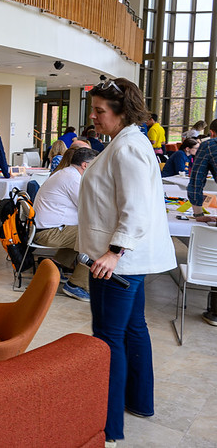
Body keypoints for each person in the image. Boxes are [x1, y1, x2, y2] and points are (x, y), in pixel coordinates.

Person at [78, 78, 176, 444]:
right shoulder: (126, 142)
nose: (94, 116)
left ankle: (109, 426)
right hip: (125, 263)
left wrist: (113, 252)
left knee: (108, 339)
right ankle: (139, 402)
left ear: (121, 112)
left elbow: (134, 210)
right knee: (133, 330)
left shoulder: (128, 147)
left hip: (117, 264)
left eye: (100, 111)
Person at [33, 147, 98, 302]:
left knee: (82, 231)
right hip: (49, 232)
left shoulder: (67, 173)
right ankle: (77, 285)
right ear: (85, 165)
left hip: (47, 228)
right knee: (96, 238)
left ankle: (57, 265)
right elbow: (90, 207)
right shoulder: (72, 178)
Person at [187, 118, 217, 326]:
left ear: (212, 133)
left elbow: (196, 181)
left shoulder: (209, 145)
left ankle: (215, 312)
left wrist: (198, 214)